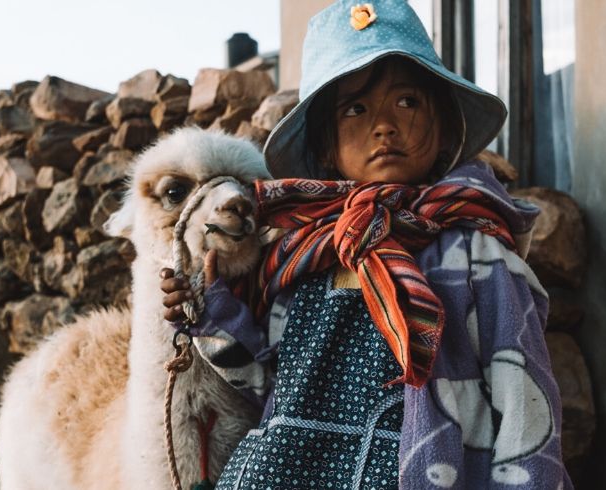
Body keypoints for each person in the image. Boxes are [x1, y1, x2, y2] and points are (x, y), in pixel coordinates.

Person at [161, 1, 573, 488]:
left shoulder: (476, 253)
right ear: (328, 148)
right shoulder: (305, 255)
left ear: (441, 130)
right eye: (355, 109)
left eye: (407, 102)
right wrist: (211, 315)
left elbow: (523, 394)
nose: (384, 125)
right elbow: (272, 385)